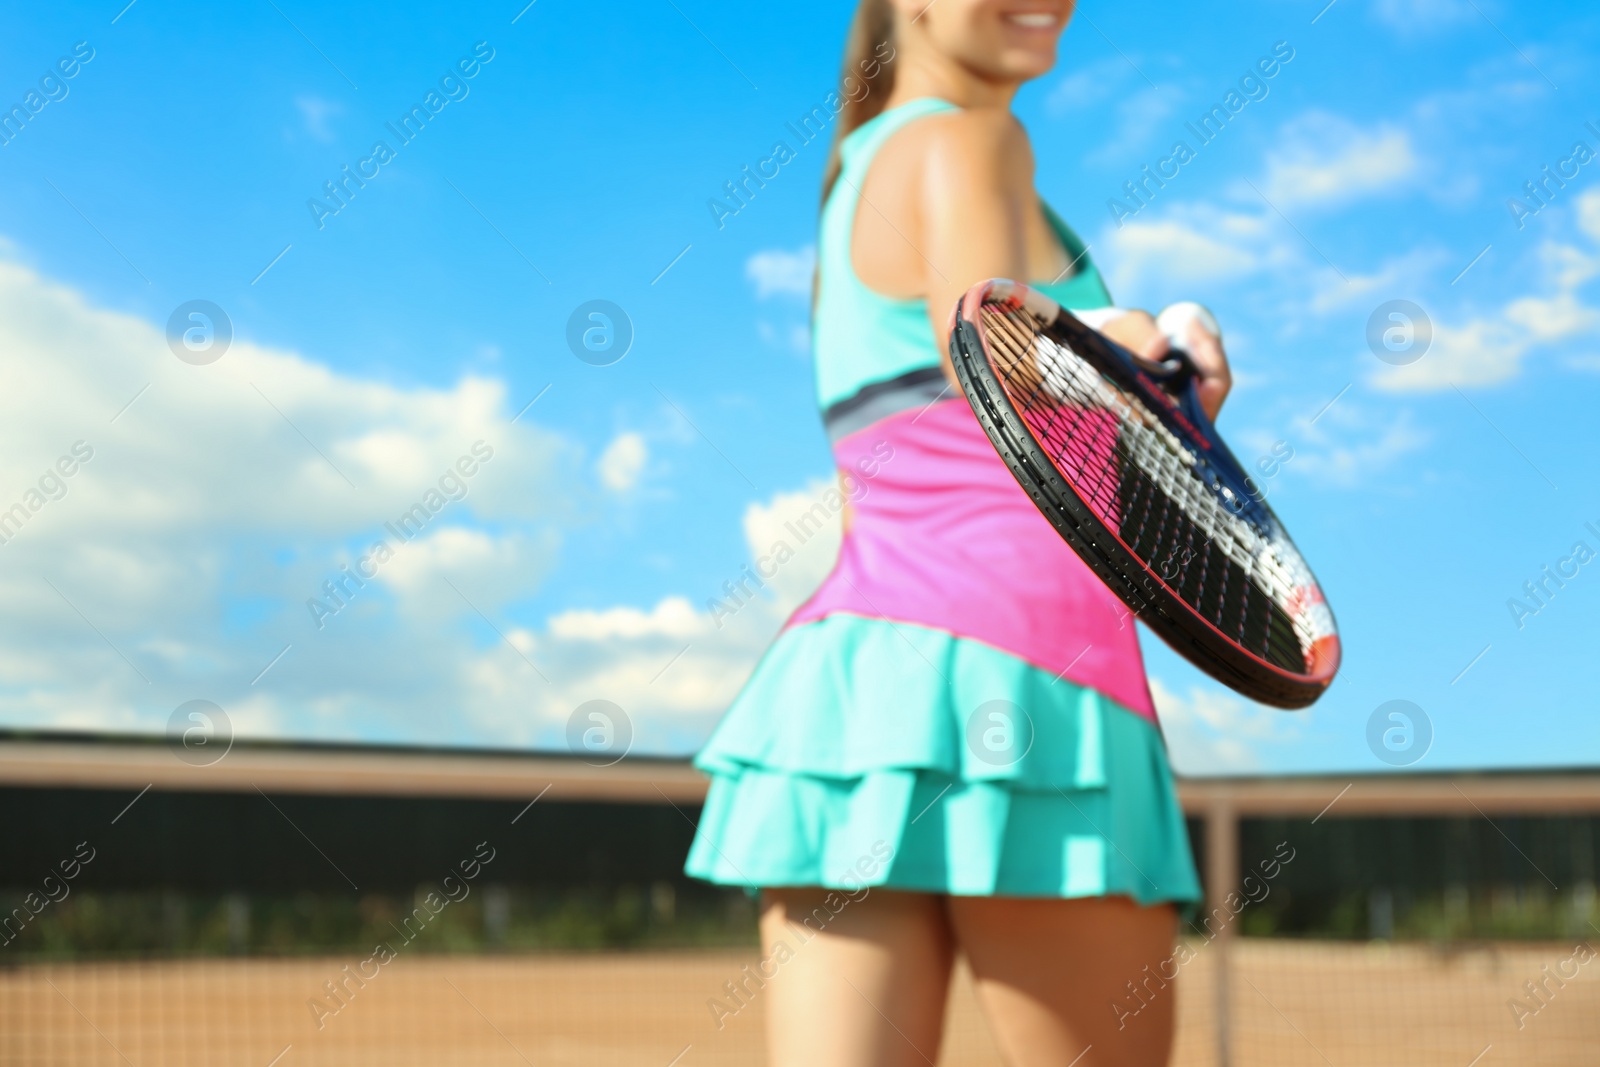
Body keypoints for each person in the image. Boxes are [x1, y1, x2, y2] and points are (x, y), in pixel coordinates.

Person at [686, 2, 1232, 1064]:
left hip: (847, 705)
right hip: (1039, 691)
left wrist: (1165, 397)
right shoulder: (971, 136)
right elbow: (1002, 355)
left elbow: (952, 455)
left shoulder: (851, 179)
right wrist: (1131, 348)